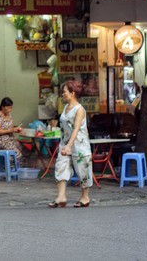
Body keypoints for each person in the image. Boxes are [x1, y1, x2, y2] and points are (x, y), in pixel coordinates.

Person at [50, 80, 93, 208]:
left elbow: (76, 129)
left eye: (64, 92)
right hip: (65, 143)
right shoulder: (65, 108)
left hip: (79, 145)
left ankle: (85, 197)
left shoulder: (79, 110)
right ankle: (61, 197)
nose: (62, 94)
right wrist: (65, 144)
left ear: (72, 93)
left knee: (83, 172)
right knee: (60, 167)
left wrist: (69, 145)